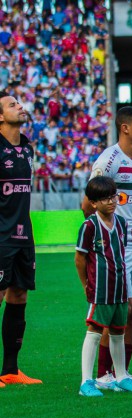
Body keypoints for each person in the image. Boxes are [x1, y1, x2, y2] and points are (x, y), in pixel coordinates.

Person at [83, 107, 132, 390]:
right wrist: (101, 242)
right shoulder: (108, 160)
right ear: (125, 128)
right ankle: (102, 373)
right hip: (115, 247)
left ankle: (123, 372)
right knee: (111, 309)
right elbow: (89, 203)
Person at [75, 176, 132, 396]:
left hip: (119, 288)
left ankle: (121, 376)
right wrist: (86, 284)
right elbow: (80, 259)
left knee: (118, 331)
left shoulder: (122, 223)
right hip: (100, 289)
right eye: (105, 199)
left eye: (113, 197)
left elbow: (120, 256)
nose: (111, 202)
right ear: (93, 203)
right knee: (95, 330)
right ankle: (86, 381)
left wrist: (127, 289)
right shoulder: (89, 226)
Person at [0, 91, 40, 386]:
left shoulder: (26, 148)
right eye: (12, 104)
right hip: (0, 236)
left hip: (23, 234)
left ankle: (11, 370)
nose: (20, 106)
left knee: (19, 295)